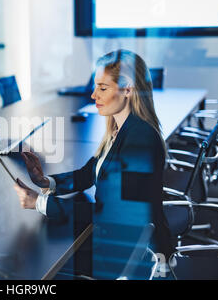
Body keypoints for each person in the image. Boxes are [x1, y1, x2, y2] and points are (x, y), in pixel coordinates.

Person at [13, 49, 173, 257]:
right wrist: (46, 181)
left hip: (133, 255)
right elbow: (88, 173)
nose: (93, 95)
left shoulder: (139, 138)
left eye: (103, 88)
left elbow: (109, 213)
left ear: (127, 90)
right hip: (120, 241)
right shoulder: (120, 129)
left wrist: (39, 202)